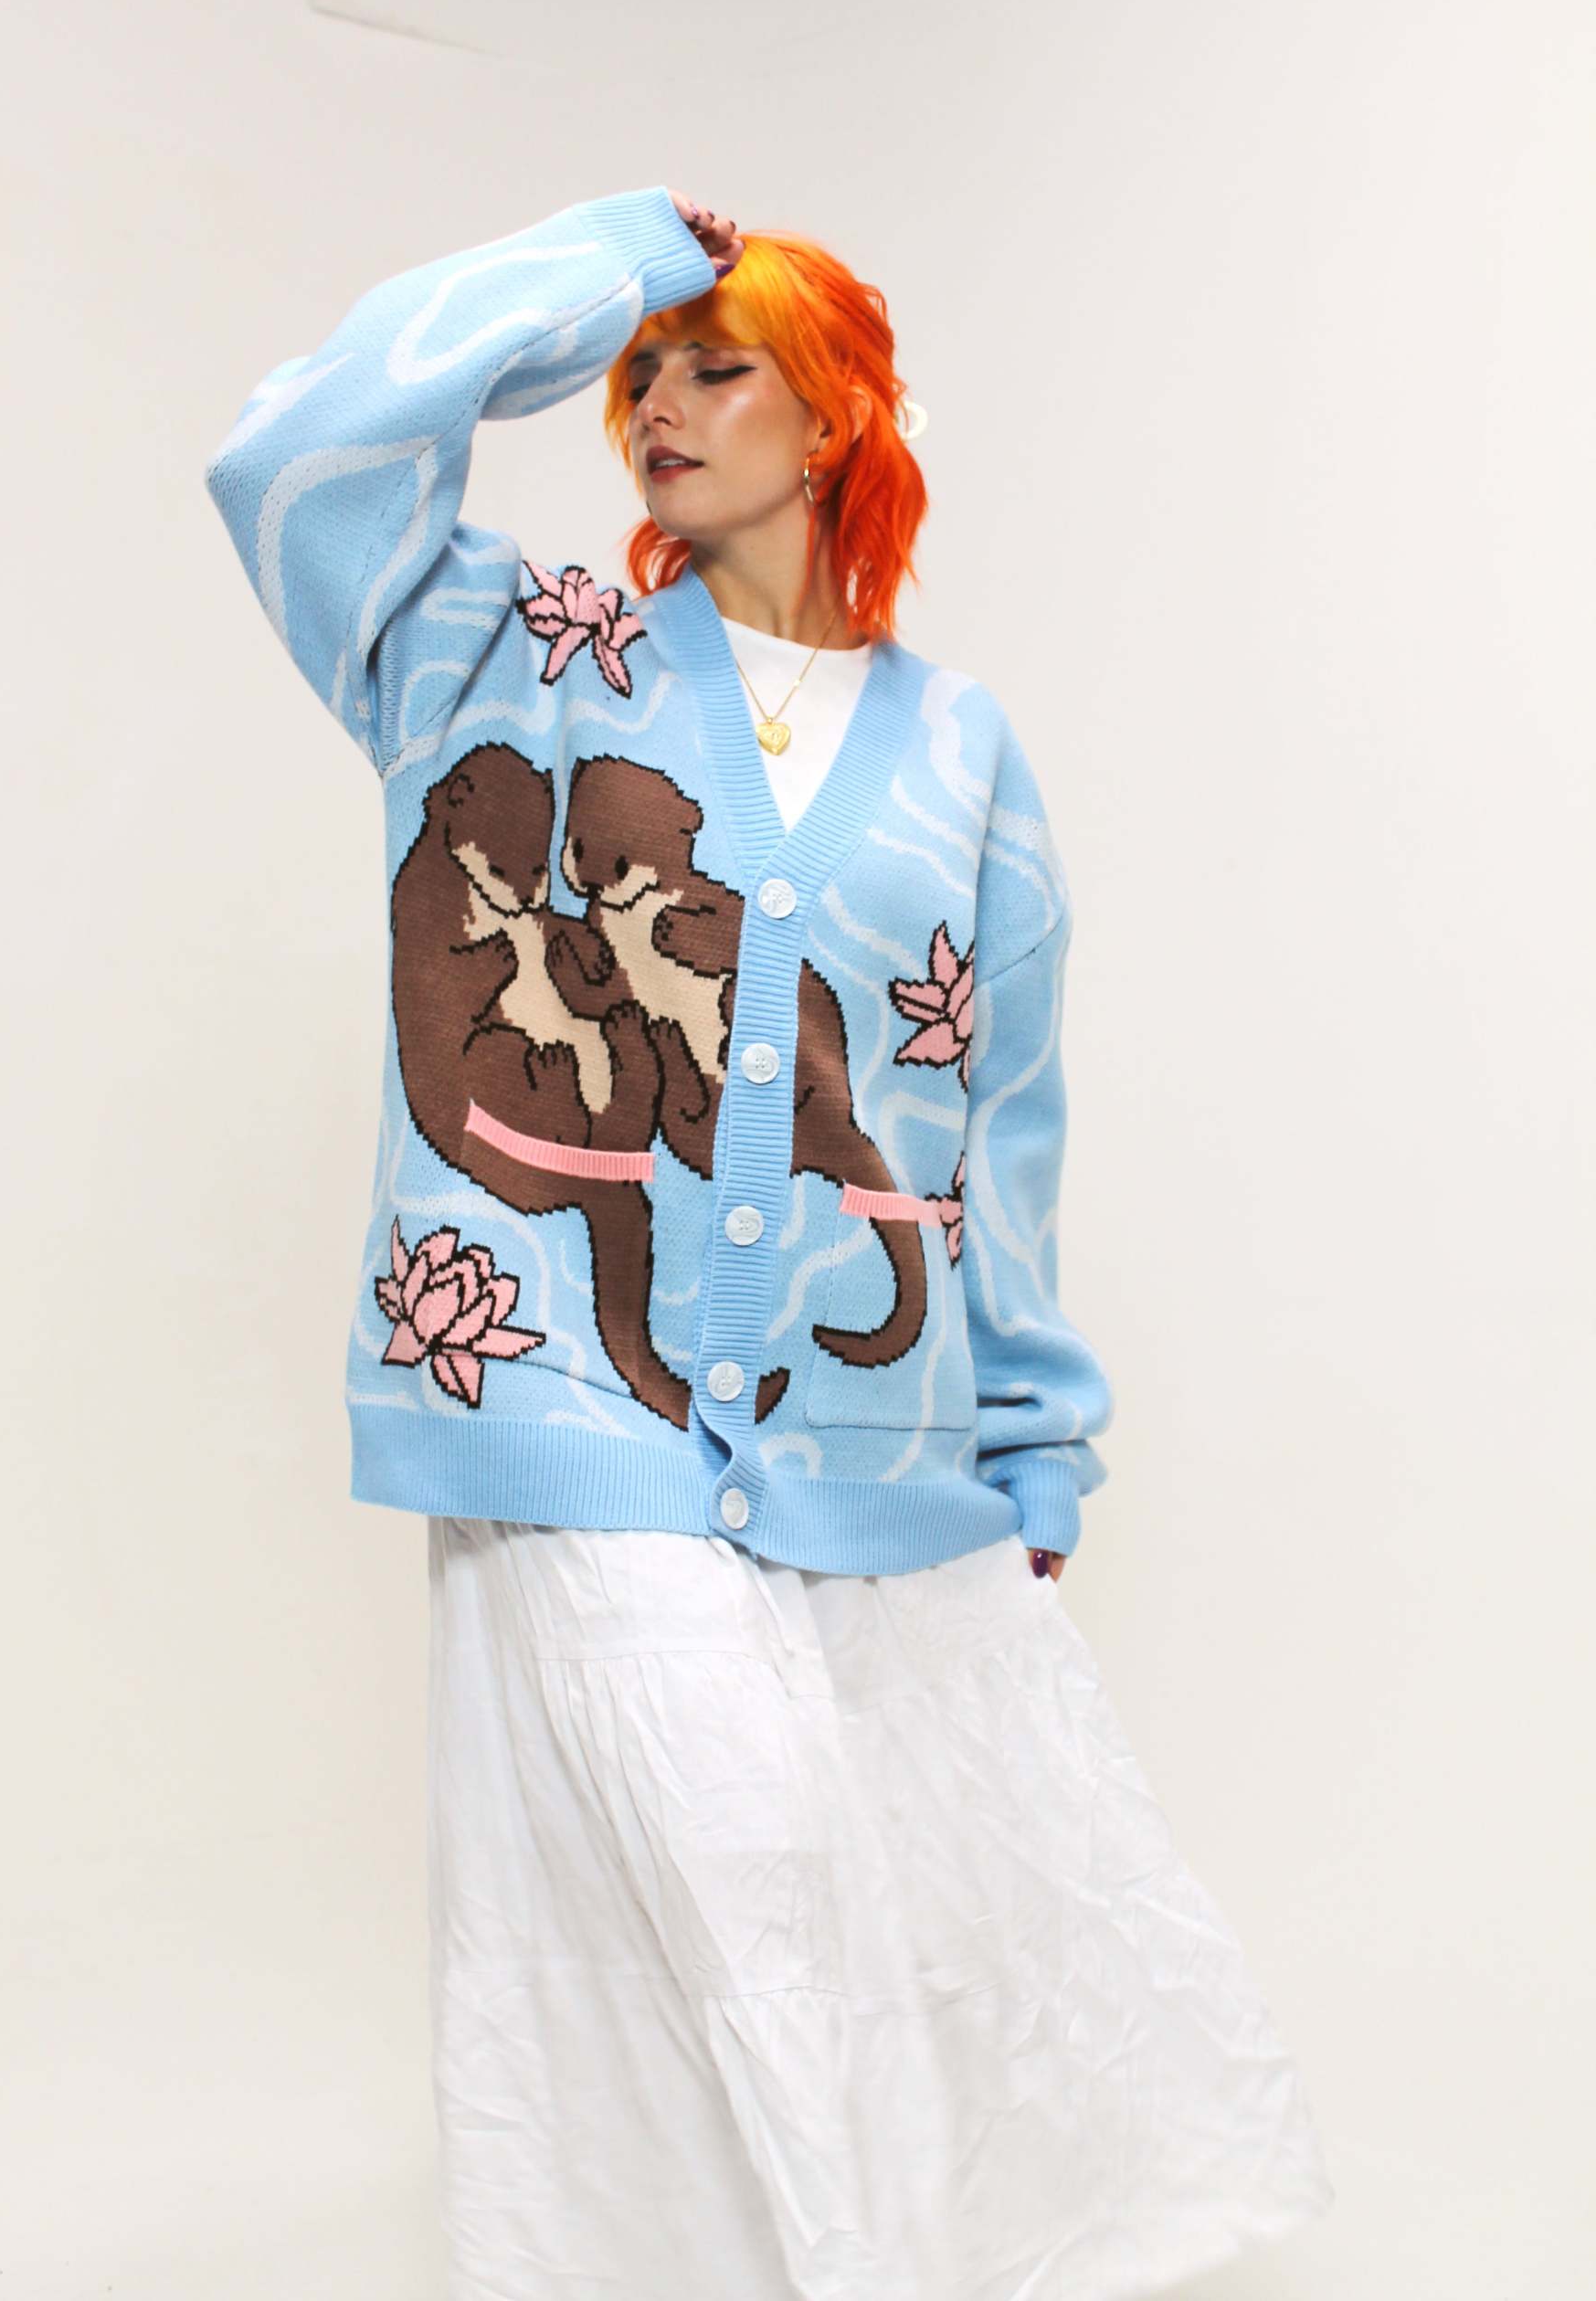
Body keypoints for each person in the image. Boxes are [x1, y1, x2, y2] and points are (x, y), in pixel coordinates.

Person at [205, 184, 1336, 2299]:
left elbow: (994, 1113)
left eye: (715, 366)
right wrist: (608, 264)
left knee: (917, 1935)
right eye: (642, 374)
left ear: (833, 421)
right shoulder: (514, 653)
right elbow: (297, 453)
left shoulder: (961, 749)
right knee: (735, 1891)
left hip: (879, 1449)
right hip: (575, 1407)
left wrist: (1031, 1434)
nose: (656, 401)